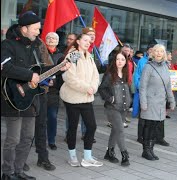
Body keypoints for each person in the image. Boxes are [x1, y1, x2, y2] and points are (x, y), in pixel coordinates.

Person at [1, 11, 70, 179]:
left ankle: (18, 171)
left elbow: (40, 72)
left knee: (27, 138)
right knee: (13, 139)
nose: (39, 32)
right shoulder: (7, 44)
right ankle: (7, 173)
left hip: (30, 99)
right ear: (24, 28)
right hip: (13, 98)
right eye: (36, 29)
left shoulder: (35, 46)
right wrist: (28, 76)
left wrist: (59, 68)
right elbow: (5, 67)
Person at [59, 33, 102, 167]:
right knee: (72, 127)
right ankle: (72, 157)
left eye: (90, 41)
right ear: (78, 41)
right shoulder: (74, 55)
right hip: (72, 97)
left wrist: (93, 87)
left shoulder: (89, 56)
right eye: (85, 40)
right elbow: (68, 77)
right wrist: (86, 88)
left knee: (91, 126)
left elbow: (96, 76)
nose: (88, 43)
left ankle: (87, 157)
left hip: (86, 97)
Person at [139, 44, 175, 161]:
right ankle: (146, 150)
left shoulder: (165, 67)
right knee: (149, 126)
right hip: (150, 101)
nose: (159, 53)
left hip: (160, 102)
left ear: (164, 54)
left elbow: (168, 86)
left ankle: (151, 149)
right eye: (157, 51)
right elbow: (142, 87)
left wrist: (171, 100)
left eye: (161, 51)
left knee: (155, 126)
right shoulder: (148, 67)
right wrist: (143, 103)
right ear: (153, 53)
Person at [98, 51, 131, 166]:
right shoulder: (110, 74)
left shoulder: (126, 74)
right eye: (118, 59)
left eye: (122, 59)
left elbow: (126, 90)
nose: (120, 61)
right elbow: (102, 89)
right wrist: (110, 98)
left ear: (126, 61)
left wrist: (129, 102)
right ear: (114, 61)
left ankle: (109, 153)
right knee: (120, 129)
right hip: (112, 108)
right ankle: (125, 155)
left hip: (122, 108)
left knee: (115, 130)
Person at [45, 32, 64, 150]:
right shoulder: (40, 53)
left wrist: (55, 83)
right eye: (49, 38)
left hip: (53, 92)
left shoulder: (62, 56)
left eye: (54, 38)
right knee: (38, 118)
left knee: (52, 117)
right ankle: (36, 139)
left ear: (57, 42)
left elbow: (64, 75)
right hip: (40, 91)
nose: (51, 40)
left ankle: (51, 140)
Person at [133, 44, 155, 144]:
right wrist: (140, 87)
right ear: (147, 51)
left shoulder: (158, 62)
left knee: (151, 116)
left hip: (153, 94)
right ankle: (140, 136)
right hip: (143, 92)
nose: (152, 52)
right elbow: (137, 76)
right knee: (142, 115)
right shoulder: (142, 61)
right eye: (150, 50)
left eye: (153, 50)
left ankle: (148, 135)